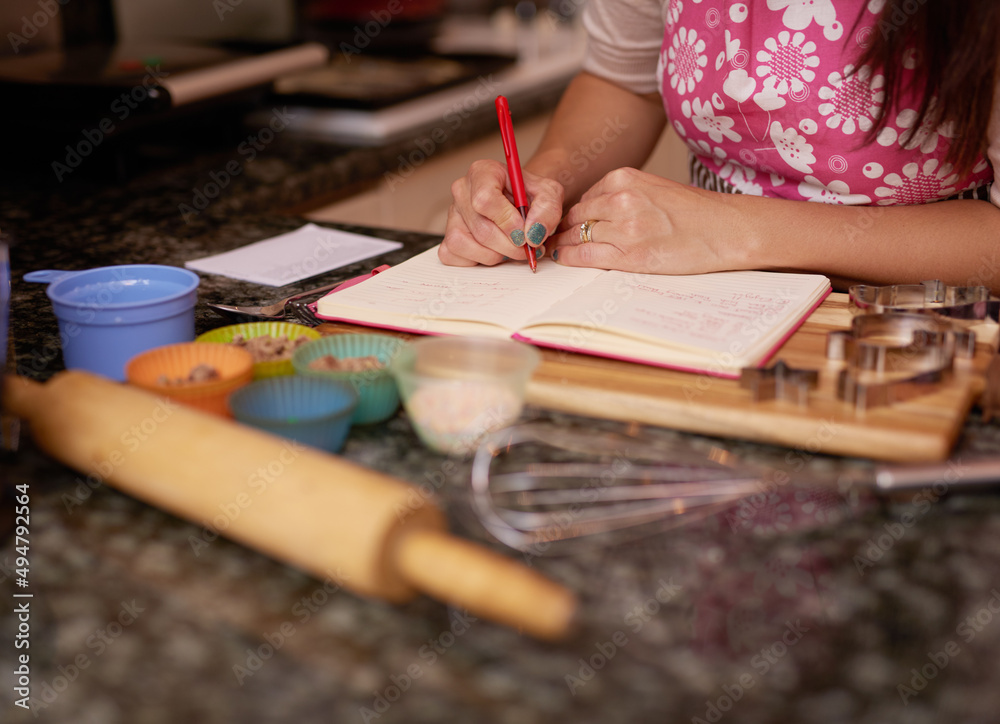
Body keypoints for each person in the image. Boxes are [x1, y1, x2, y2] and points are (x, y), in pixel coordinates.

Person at [440, 0, 1000, 293]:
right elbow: (623, 80)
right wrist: (542, 183)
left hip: (914, 313)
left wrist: (739, 230)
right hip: (710, 305)